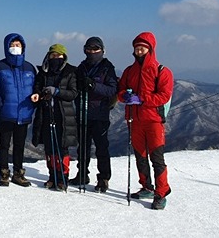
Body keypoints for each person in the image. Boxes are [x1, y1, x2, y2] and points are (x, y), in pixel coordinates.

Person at [117, 31, 174, 210]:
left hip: (153, 120)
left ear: (150, 50)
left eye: (142, 48)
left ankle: (161, 192)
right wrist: (125, 98)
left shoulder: (161, 71)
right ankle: (147, 187)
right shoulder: (129, 71)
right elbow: (120, 92)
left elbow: (164, 95)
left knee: (157, 158)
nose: (139, 51)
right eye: (137, 48)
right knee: (140, 157)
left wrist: (142, 99)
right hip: (134, 119)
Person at [0, 33, 37, 187]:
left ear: (23, 47)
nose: (15, 48)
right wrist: (0, 105)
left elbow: (36, 87)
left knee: (20, 145)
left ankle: (18, 173)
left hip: (24, 112)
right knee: (4, 144)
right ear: (6, 47)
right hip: (5, 113)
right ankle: (4, 173)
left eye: (18, 45)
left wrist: (36, 98)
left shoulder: (29, 68)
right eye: (12, 45)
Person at [71, 37, 118, 192]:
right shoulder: (82, 67)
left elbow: (112, 90)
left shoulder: (107, 68)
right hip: (83, 112)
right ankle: (82, 174)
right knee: (82, 147)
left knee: (101, 148)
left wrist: (93, 85)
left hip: (100, 114)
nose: (92, 52)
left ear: (102, 50)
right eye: (89, 49)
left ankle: (103, 178)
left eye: (95, 49)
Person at [31, 44, 78, 190]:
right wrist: (38, 94)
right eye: (53, 55)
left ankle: (63, 177)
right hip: (46, 113)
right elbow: (36, 86)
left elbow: (73, 93)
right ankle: (52, 176)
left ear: (64, 56)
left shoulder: (70, 72)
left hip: (63, 115)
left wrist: (57, 91)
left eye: (59, 56)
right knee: (49, 147)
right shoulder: (43, 72)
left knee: (62, 147)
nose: (55, 58)